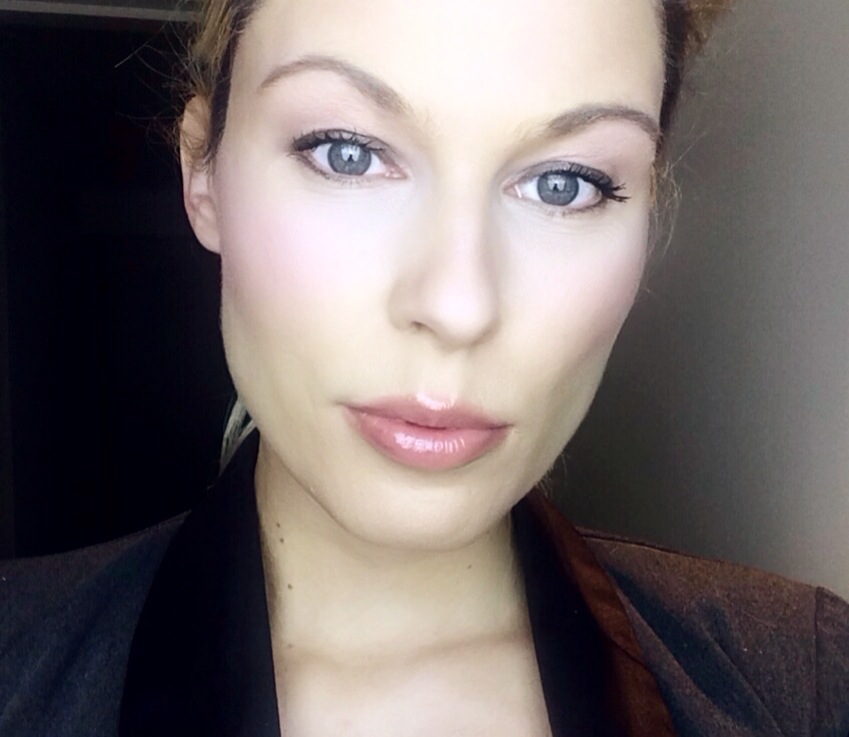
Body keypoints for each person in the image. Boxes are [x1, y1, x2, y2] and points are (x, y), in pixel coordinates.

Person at [1, 0, 848, 735]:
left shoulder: (802, 681)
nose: (457, 304)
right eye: (346, 153)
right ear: (202, 175)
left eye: (565, 183)